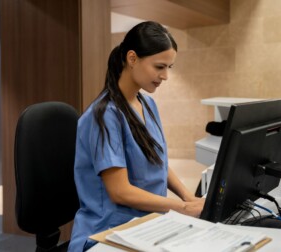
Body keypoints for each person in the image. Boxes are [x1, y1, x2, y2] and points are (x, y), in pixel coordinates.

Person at [68, 21, 204, 251]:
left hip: (148, 224)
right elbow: (119, 191)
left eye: (169, 68)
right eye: (159, 67)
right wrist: (181, 208)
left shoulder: (147, 104)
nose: (165, 76)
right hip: (108, 232)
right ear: (132, 58)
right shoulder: (103, 116)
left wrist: (188, 198)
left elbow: (157, 162)